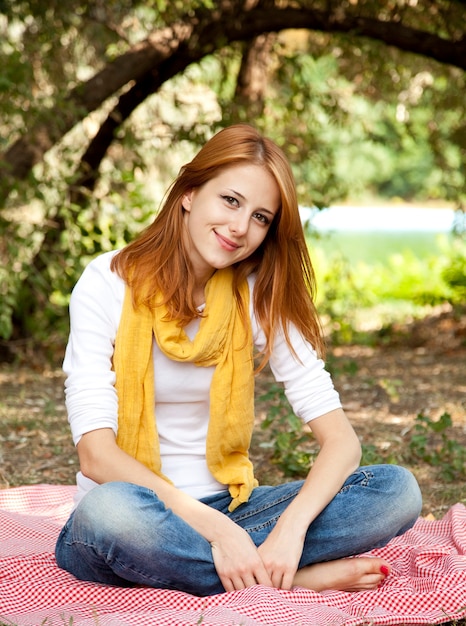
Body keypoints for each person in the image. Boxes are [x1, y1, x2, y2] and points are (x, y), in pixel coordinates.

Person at [55, 123, 422, 597]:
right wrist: (218, 532)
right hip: (136, 513)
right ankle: (294, 581)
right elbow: (96, 455)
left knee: (394, 492)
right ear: (189, 192)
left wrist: (288, 530)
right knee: (110, 515)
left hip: (234, 507)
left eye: (261, 217)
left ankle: (238, 569)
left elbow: (342, 443)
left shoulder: (256, 296)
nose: (239, 228)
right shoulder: (107, 282)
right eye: (230, 201)